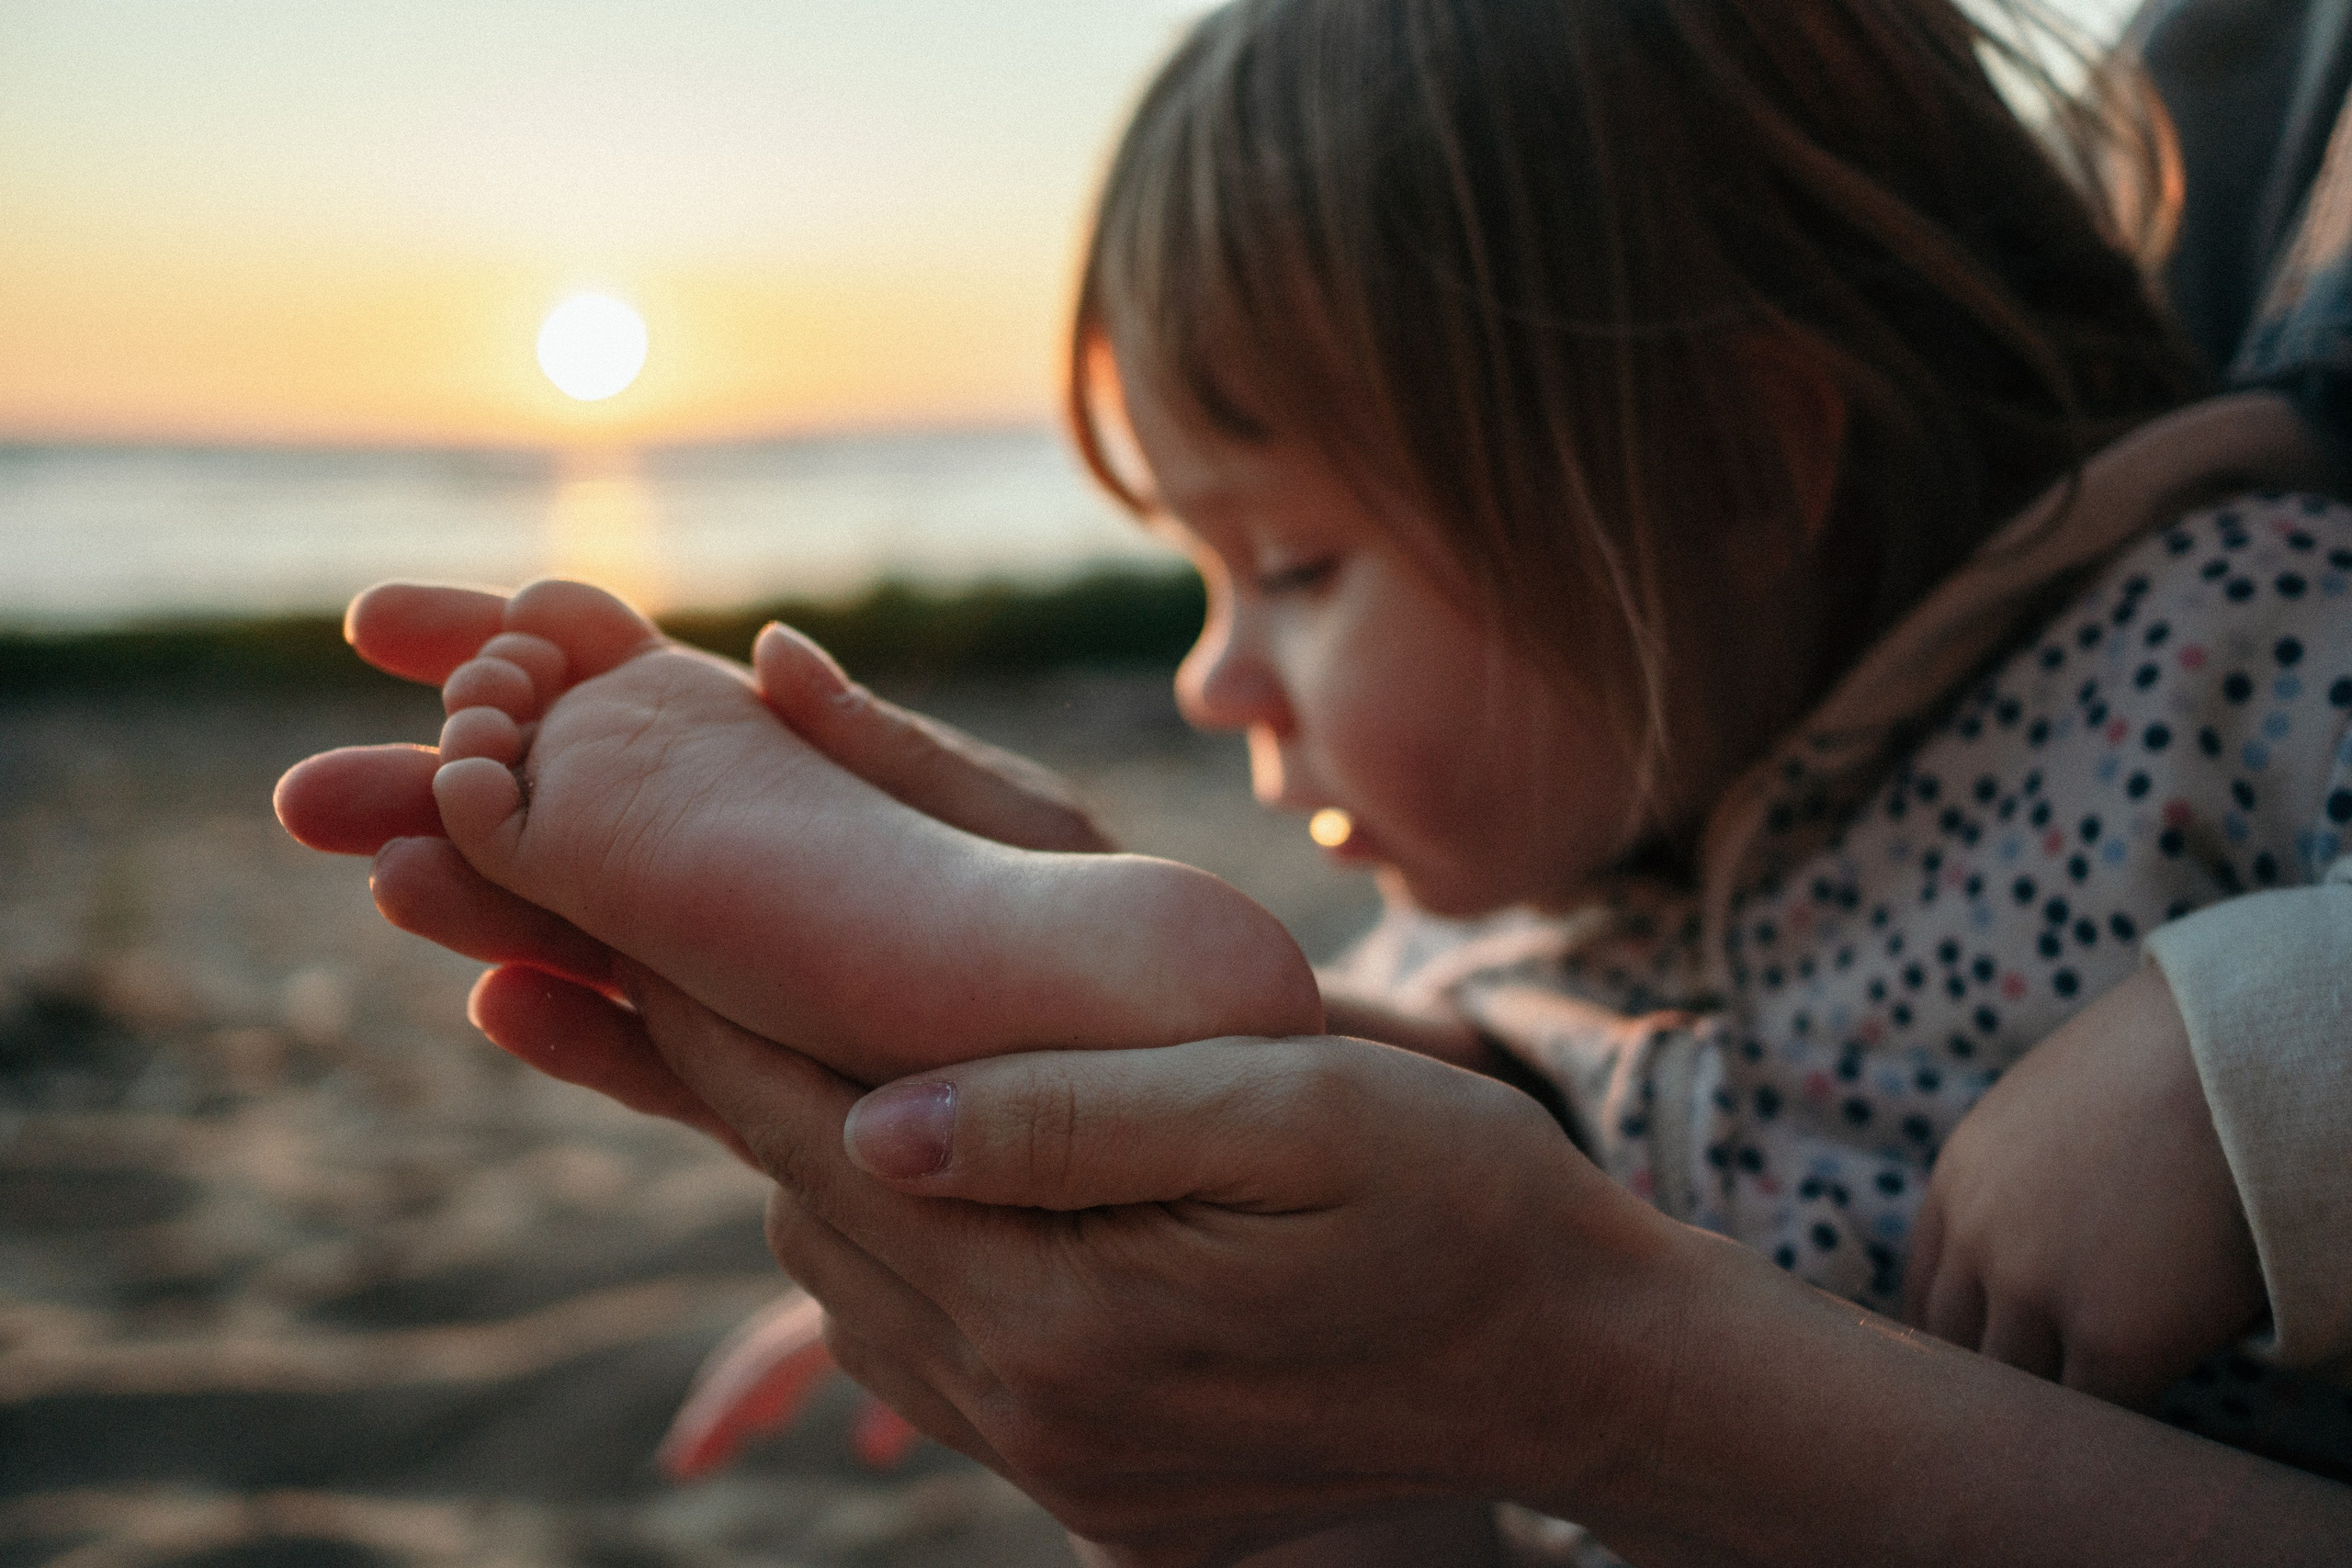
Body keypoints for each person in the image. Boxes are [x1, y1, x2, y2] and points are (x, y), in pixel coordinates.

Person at [273, 0, 2352, 1560]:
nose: (1209, 674)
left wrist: (2258, 1048)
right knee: (1304, 1345)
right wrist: (1057, 1177)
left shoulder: (2214, 644)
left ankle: (1155, 1028)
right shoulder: (1582, 879)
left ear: (1735, 472)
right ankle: (1138, 1043)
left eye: (1293, 565)